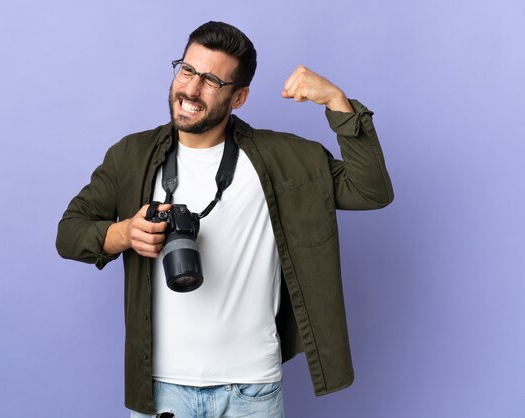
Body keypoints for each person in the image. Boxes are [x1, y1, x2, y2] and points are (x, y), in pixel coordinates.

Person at [56, 21, 393, 418]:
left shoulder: (284, 159)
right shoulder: (131, 156)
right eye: (187, 70)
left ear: (239, 97)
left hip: (252, 387)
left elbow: (371, 190)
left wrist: (337, 101)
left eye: (212, 80)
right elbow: (69, 233)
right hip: (162, 388)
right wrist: (123, 233)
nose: (191, 90)